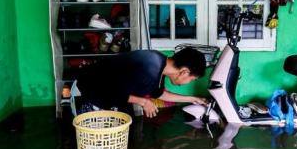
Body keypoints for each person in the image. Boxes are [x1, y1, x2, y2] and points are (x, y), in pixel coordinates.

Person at [73, 47, 208, 117]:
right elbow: (115, 91)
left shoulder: (160, 63)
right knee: (97, 144)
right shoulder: (149, 69)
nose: (189, 83)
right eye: (192, 79)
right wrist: (143, 102)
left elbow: (158, 93)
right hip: (88, 92)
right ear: (184, 71)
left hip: (102, 93)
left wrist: (192, 99)